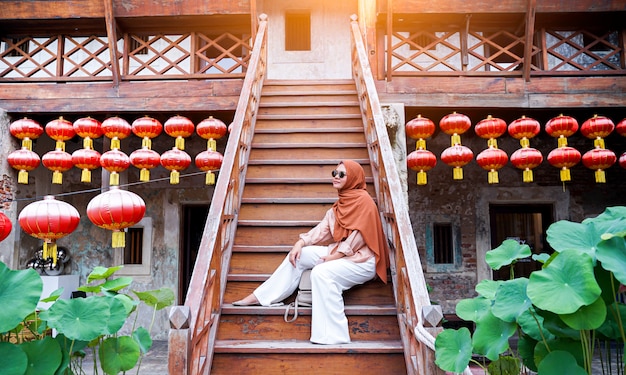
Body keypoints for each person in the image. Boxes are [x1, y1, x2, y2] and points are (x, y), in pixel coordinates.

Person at [232, 160, 389, 345]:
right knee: (301, 255)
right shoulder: (339, 206)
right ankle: (262, 297)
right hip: (342, 254)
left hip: (362, 261)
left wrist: (333, 257)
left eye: (341, 174)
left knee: (322, 272)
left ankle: (333, 335)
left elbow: (360, 236)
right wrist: (300, 243)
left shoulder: (364, 202)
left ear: (353, 178)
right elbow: (322, 231)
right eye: (334, 173)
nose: (336, 177)